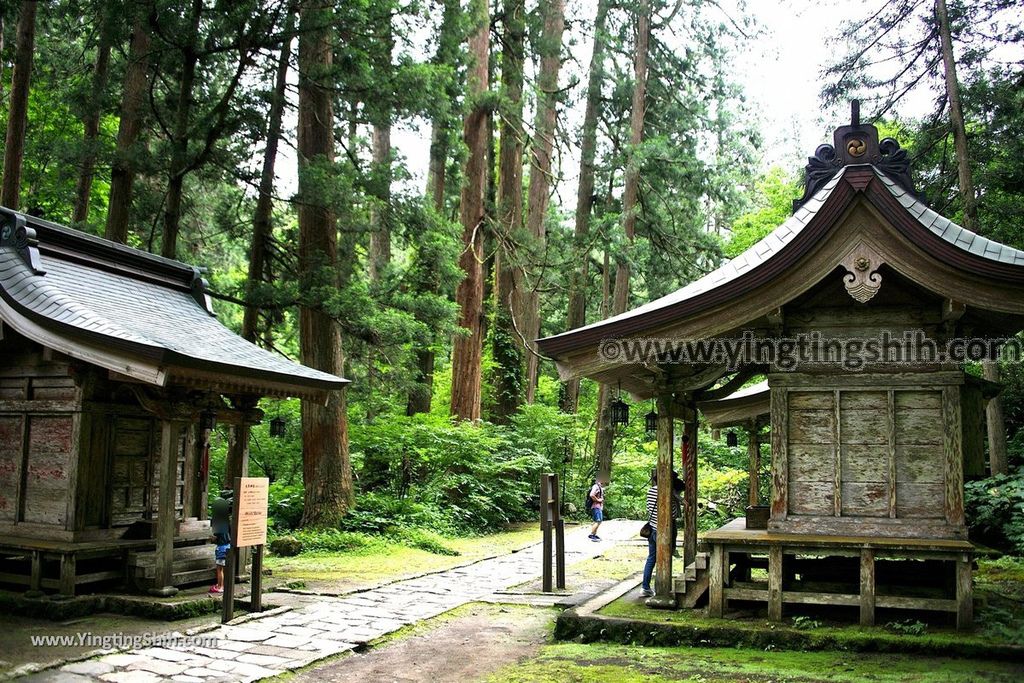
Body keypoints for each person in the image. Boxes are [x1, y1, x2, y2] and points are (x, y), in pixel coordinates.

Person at [642, 468, 681, 598]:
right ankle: (662, 588)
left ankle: (645, 587)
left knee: (651, 558)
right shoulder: (669, 493)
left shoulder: (651, 491)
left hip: (652, 527)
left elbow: (649, 509)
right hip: (664, 530)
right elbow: (673, 513)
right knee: (664, 558)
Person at [210, 490, 232, 594]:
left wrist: (212, 538)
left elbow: (216, 538)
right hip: (228, 546)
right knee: (223, 568)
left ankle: (220, 586)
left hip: (221, 547)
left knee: (219, 569)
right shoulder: (227, 522)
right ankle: (222, 585)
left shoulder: (218, 523)